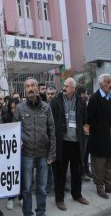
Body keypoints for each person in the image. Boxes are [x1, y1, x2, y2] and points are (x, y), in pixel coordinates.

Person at [13, 77, 56, 216]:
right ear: (25, 90)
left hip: (44, 154)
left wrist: (51, 154)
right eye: (28, 86)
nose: (30, 88)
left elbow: (52, 132)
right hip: (27, 154)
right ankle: (27, 213)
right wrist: (18, 139)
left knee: (42, 188)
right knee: (26, 189)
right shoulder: (20, 108)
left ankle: (41, 212)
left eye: (33, 86)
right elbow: (14, 130)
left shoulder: (46, 108)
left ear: (37, 89)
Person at [50, 78, 89, 211]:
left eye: (67, 86)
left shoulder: (81, 102)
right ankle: (59, 199)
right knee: (60, 173)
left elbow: (85, 120)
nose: (64, 87)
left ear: (74, 88)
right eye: (64, 85)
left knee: (77, 171)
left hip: (76, 142)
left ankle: (77, 194)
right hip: (62, 142)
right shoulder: (56, 101)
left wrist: (85, 129)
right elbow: (51, 121)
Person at [87, 73, 111, 199]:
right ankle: (99, 187)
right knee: (99, 165)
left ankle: (108, 185)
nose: (110, 85)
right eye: (109, 82)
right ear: (102, 84)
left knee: (108, 163)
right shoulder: (94, 98)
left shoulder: (109, 97)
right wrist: (100, 129)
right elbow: (90, 118)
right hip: (98, 138)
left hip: (108, 137)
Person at [76, 86, 92, 181]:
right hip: (84, 131)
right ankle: (83, 173)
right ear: (82, 93)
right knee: (83, 153)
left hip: (82, 131)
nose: (86, 95)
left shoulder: (79, 101)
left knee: (84, 153)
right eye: (85, 93)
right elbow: (85, 118)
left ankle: (84, 171)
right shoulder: (81, 101)